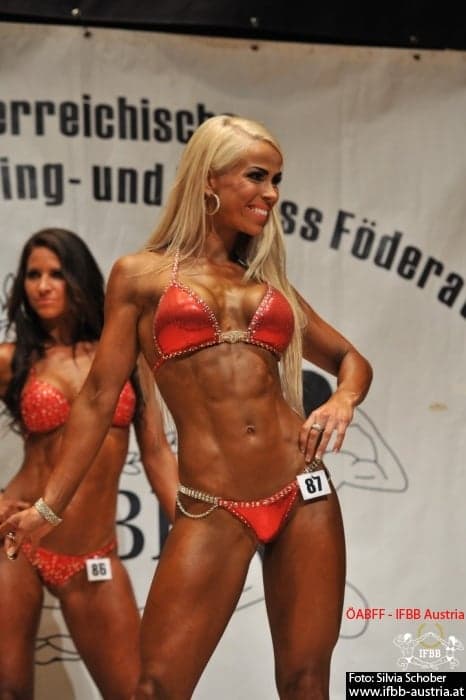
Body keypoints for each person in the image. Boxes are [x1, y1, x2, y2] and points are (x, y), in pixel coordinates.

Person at [1, 117, 373, 699]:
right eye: (257, 176)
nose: (271, 194)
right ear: (208, 180)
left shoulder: (267, 284)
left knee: (305, 681)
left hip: (303, 492)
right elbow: (98, 399)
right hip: (213, 504)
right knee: (155, 688)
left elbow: (351, 359)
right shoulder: (139, 276)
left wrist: (344, 399)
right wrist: (50, 508)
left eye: (276, 180)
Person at [0, 228, 178, 700]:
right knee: (9, 690)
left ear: (79, 278)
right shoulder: (13, 360)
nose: (42, 286)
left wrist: (194, 533)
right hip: (17, 540)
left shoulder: (127, 358)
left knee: (137, 693)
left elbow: (158, 453)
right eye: (33, 275)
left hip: (93, 554)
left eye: (56, 274)